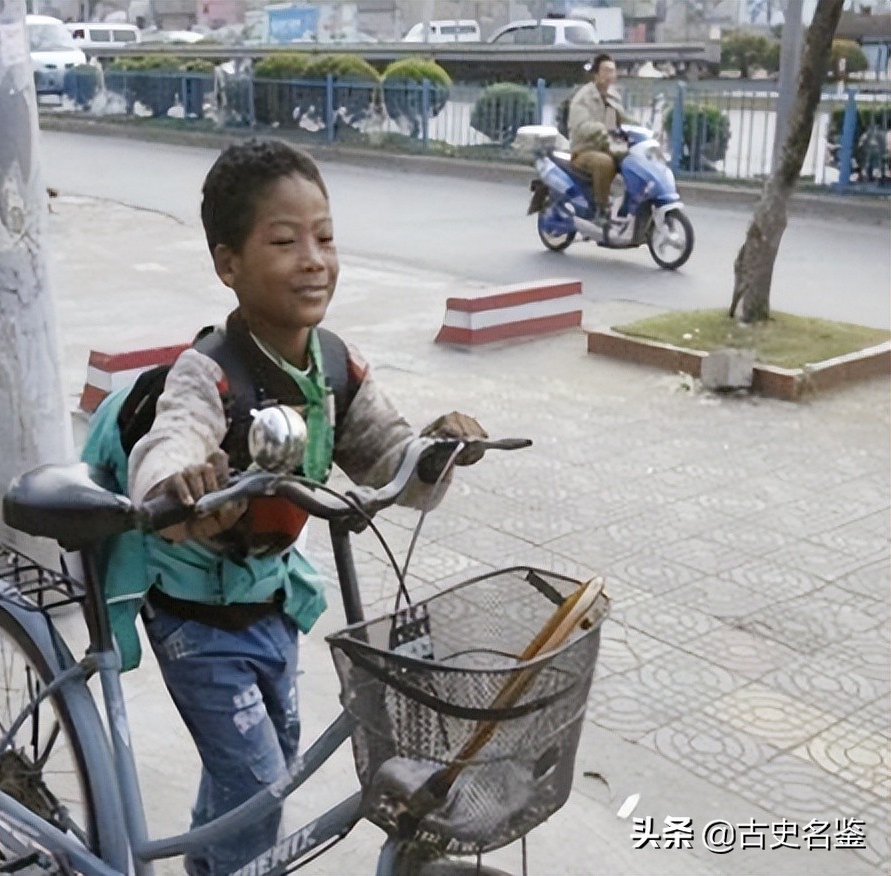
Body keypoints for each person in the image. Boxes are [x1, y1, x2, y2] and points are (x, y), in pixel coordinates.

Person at [126, 138, 489, 876]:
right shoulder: (208, 374)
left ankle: (211, 860)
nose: (314, 259)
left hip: (271, 605)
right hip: (196, 617)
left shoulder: (334, 367)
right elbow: (166, 446)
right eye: (285, 241)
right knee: (259, 777)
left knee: (270, 762)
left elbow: (394, 462)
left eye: (325, 238)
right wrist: (183, 481)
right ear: (228, 264)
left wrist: (438, 449)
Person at [567, 53, 635, 227]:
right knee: (604, 163)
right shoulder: (583, 97)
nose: (609, 75)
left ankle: (628, 209)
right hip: (584, 150)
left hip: (610, 146)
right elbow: (581, 126)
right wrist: (601, 130)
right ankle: (601, 210)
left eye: (612, 71)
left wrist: (642, 131)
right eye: (605, 71)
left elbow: (625, 120)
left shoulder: (614, 96)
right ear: (596, 74)